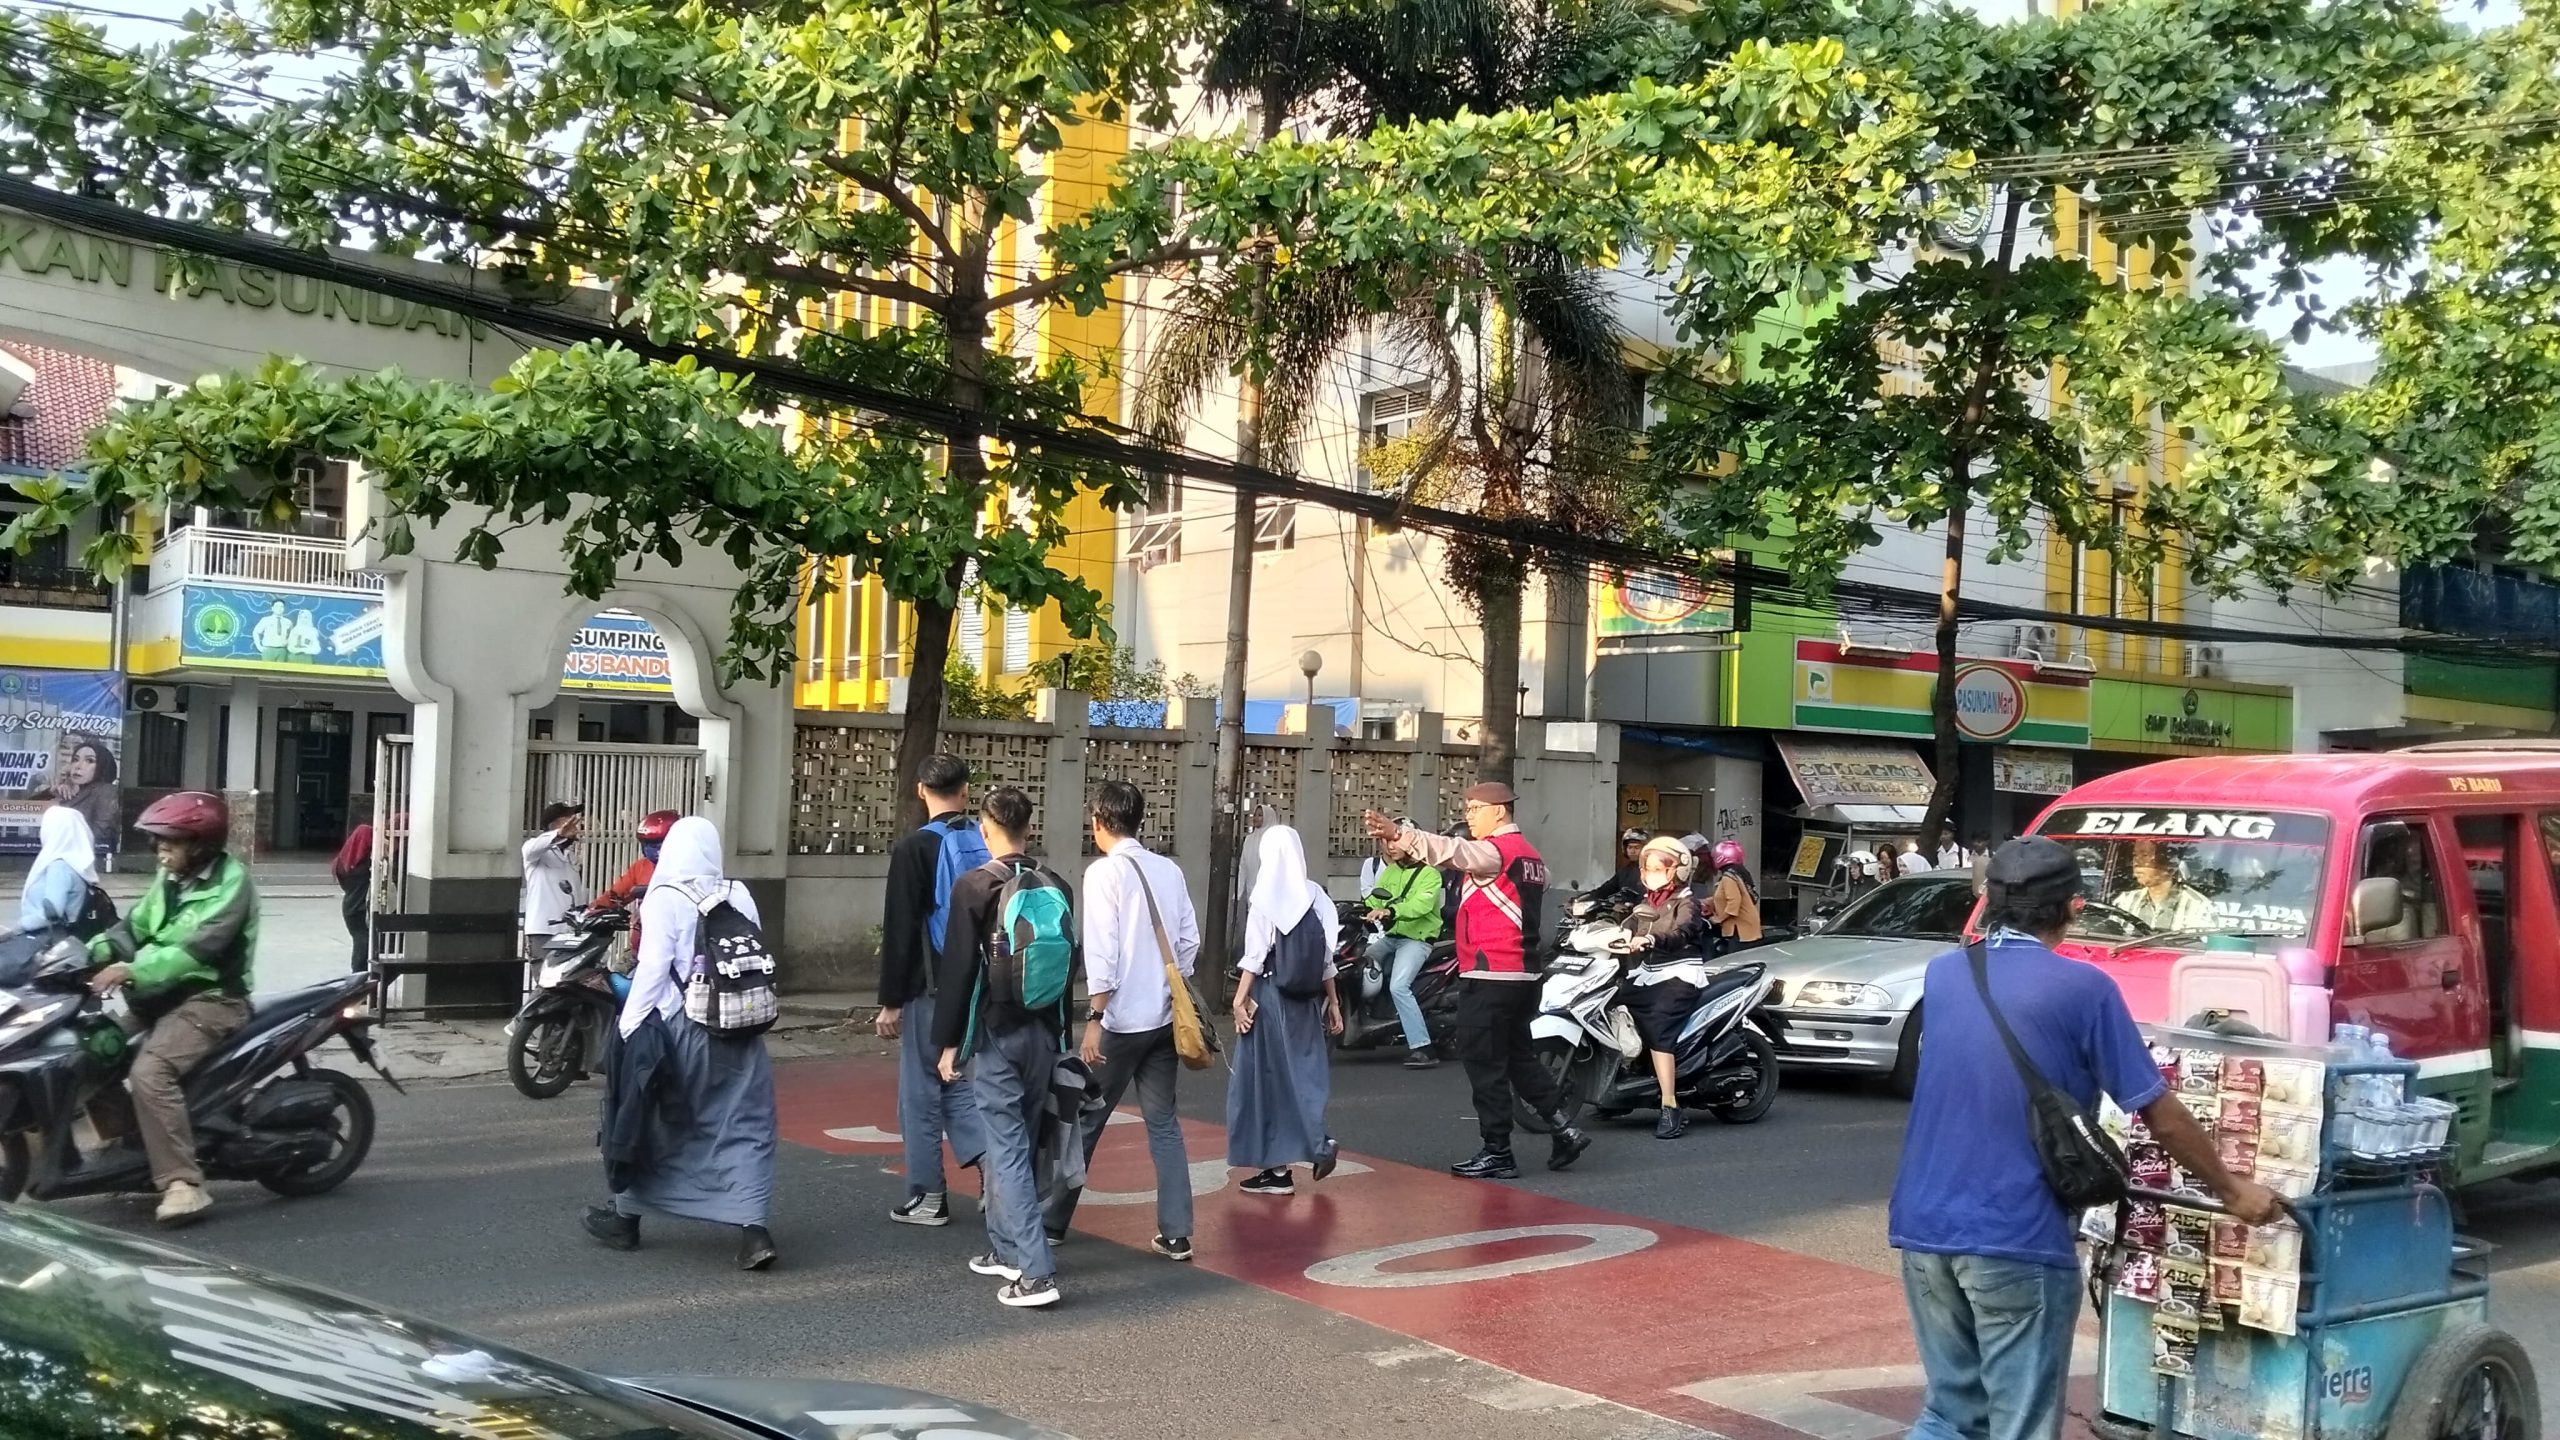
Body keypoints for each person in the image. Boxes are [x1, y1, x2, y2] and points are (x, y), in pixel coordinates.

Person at [1890, 837, 2279, 1440]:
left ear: (1989, 901)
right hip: (2015, 1234)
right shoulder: (2084, 988)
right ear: (2074, 907)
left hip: (1924, 1226)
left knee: (1949, 1415)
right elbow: (2158, 1112)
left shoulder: (1945, 973)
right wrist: (2232, 1191)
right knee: (2019, 1425)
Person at [1364, 783, 1591, 1179]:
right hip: (1523, 975)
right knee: (1518, 1056)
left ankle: (1498, 1151)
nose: (1468, 816)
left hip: (1491, 974)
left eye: (1475, 808)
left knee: (1484, 1063)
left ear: (1499, 811)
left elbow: (1453, 851)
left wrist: (1399, 834)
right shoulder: (1534, 859)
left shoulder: (1495, 851)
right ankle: (1563, 1127)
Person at [584, 816, 779, 1271]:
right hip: (739, 1029)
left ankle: (625, 1218)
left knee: (654, 1118)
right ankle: (754, 1231)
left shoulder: (664, 896)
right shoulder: (738, 893)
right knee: (745, 1125)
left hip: (682, 1030)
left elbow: (653, 971)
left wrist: (629, 1027)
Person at [85, 791, 256, 1226]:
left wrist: (129, 970)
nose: (161, 850)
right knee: (92, 1050)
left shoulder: (232, 884)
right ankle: (133, 1147)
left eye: (171, 842)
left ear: (200, 846)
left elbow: (194, 951)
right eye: (158, 841)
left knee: (151, 1072)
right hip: (159, 995)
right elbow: (135, 925)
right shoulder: (170, 878)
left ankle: (183, 1183)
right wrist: (88, 953)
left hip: (212, 998)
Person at [1044, 779, 1197, 1261]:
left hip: (1120, 1021)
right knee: (1164, 1124)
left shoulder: (1104, 874)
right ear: (1139, 820)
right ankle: (1177, 1232)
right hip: (1165, 1018)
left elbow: (1102, 952)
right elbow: (1188, 942)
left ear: (1097, 822)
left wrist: (1094, 1016)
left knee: (1087, 1119)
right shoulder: (1169, 870)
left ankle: (1052, 1222)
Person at [932, 785, 1072, 1308]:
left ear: (986, 830)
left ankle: (1035, 1273)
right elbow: (1068, 967)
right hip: (1043, 1033)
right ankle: (1005, 1247)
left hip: (995, 1036)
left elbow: (957, 973)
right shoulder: (1056, 884)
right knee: (1018, 1144)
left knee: (1007, 1150)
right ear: (1029, 829)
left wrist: (949, 1044)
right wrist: (1063, 1039)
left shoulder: (973, 887)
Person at [876, 755, 989, 1227]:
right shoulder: (985, 839)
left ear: (921, 789)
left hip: (932, 986)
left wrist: (890, 1001)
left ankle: (927, 1195)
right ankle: (995, 1170)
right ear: (965, 791)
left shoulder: (915, 848)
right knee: (956, 1079)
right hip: (981, 982)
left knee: (920, 1092)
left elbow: (901, 929)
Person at [1228, 825, 1344, 1195]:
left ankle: (1287, 1163)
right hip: (1306, 1000)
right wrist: (1334, 1003)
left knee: (1265, 1080)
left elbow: (1254, 956)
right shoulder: (1317, 896)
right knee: (1304, 1076)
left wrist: (1239, 1000)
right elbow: (1326, 959)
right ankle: (1300, 1156)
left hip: (1270, 997)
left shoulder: (1265, 895)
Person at [1619, 836, 1714, 1139]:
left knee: (1658, 1027)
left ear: (1678, 870)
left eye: (1658, 868)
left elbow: (1682, 933)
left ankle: (1670, 1105)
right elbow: (1628, 926)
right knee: (1613, 1002)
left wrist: (1652, 939)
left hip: (1680, 974)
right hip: (1648, 973)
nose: (1651, 873)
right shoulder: (1648, 902)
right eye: (1648, 868)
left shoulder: (1688, 902)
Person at [1361, 829, 1446, 1069]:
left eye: (1396, 841)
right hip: (1391, 937)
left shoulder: (1430, 874)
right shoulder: (1391, 870)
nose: (1390, 847)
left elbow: (1420, 905)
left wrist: (1391, 911)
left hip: (1417, 940)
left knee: (1398, 987)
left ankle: (1423, 1047)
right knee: (1359, 965)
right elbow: (1377, 899)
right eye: (1387, 842)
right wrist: (1363, 908)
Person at [588, 810, 678, 976]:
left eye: (658, 844)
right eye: (647, 844)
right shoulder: (641, 866)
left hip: (674, 952)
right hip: (640, 949)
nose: (652, 849)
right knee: (610, 980)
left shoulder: (686, 868)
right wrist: (590, 911)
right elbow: (616, 895)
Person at [520, 800, 587, 973]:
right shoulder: (536, 851)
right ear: (555, 824)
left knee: (568, 980)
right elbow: (530, 850)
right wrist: (558, 834)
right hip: (544, 931)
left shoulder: (570, 856)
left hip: (570, 931)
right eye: (569, 818)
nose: (575, 824)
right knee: (546, 980)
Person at [19, 804, 102, 936]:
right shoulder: (76, 864)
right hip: (65, 938)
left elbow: (51, 914)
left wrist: (20, 926)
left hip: (46, 940)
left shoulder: (60, 867)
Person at [2112, 843, 2217, 933]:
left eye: (2145, 855)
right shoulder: (2125, 901)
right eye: (2135, 855)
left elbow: (2206, 947)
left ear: (2169, 865)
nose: (2136, 862)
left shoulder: (2198, 907)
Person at [45, 734, 118, 841]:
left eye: (89, 761)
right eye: (75, 759)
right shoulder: (75, 792)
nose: (78, 766)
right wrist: (53, 795)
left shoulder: (107, 791)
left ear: (102, 765)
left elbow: (101, 833)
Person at [1702, 839, 1762, 954]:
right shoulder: (1737, 873)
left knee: (1734, 961)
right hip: (1745, 927)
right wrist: (1706, 902)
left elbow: (1734, 902)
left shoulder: (1728, 877)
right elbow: (1724, 897)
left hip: (1740, 930)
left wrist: (1718, 919)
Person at [332, 821, 373, 971]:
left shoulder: (344, 862)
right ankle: (358, 977)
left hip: (350, 907)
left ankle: (358, 976)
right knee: (363, 944)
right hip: (358, 909)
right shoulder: (365, 865)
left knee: (361, 942)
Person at [1579, 828, 1650, 907]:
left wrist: (1632, 904)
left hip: (1643, 912)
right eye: (1630, 847)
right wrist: (1582, 898)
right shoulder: (1624, 872)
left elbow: (1650, 897)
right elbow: (1605, 889)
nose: (1632, 851)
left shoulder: (1652, 871)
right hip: (1623, 912)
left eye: (1636, 848)